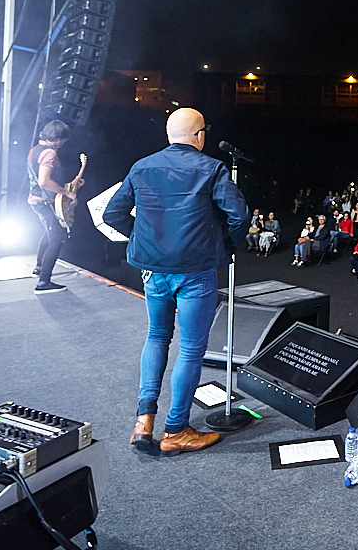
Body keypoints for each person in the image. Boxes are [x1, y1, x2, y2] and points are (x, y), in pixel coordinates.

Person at [103, 108, 248, 457]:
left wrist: (144, 242)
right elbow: (239, 214)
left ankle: (144, 422)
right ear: (200, 135)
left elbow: (113, 213)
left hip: (154, 273)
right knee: (191, 348)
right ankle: (176, 429)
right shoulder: (211, 168)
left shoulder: (142, 166)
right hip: (195, 273)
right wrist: (226, 246)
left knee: (156, 337)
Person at [26, 120, 82, 294]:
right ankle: (44, 282)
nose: (63, 143)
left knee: (48, 233)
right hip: (45, 202)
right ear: (58, 139)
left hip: (37, 200)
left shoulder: (35, 150)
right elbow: (44, 181)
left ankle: (39, 267)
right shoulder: (49, 153)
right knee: (57, 238)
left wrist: (71, 186)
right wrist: (67, 194)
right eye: (63, 140)